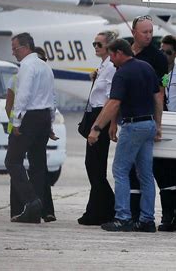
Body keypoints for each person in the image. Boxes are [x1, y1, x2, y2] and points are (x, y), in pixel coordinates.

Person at [88, 39, 162, 232]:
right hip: (148, 124)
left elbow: (113, 103)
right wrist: (158, 124)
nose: (111, 60)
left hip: (133, 125)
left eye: (111, 55)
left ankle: (123, 217)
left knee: (120, 170)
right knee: (146, 174)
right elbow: (158, 97)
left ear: (119, 53)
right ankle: (147, 219)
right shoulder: (146, 68)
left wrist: (96, 128)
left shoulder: (122, 73)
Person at [5, 32, 55, 224]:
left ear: (25, 47)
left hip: (30, 117)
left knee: (12, 161)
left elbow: (23, 94)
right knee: (38, 164)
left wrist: (16, 121)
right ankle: (36, 209)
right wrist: (50, 123)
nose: (13, 53)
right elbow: (52, 97)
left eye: (15, 49)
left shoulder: (27, 66)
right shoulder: (45, 66)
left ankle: (31, 201)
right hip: (43, 117)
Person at [127, 15, 168, 221]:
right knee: (128, 170)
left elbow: (159, 92)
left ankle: (148, 216)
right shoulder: (124, 51)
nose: (149, 36)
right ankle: (133, 214)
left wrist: (158, 124)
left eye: (151, 32)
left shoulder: (157, 58)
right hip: (127, 117)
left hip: (146, 118)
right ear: (133, 32)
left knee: (148, 169)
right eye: (145, 32)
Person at [77, 31, 117, 226]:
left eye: (99, 44)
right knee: (92, 165)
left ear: (109, 46)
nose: (95, 47)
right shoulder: (103, 66)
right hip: (95, 113)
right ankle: (99, 208)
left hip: (101, 116)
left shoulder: (110, 66)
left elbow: (111, 98)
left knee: (95, 165)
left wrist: (100, 125)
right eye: (94, 44)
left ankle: (105, 208)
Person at [153, 35, 176, 231]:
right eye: (162, 51)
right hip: (160, 125)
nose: (165, 56)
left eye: (168, 52)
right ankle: (169, 215)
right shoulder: (154, 72)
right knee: (162, 172)